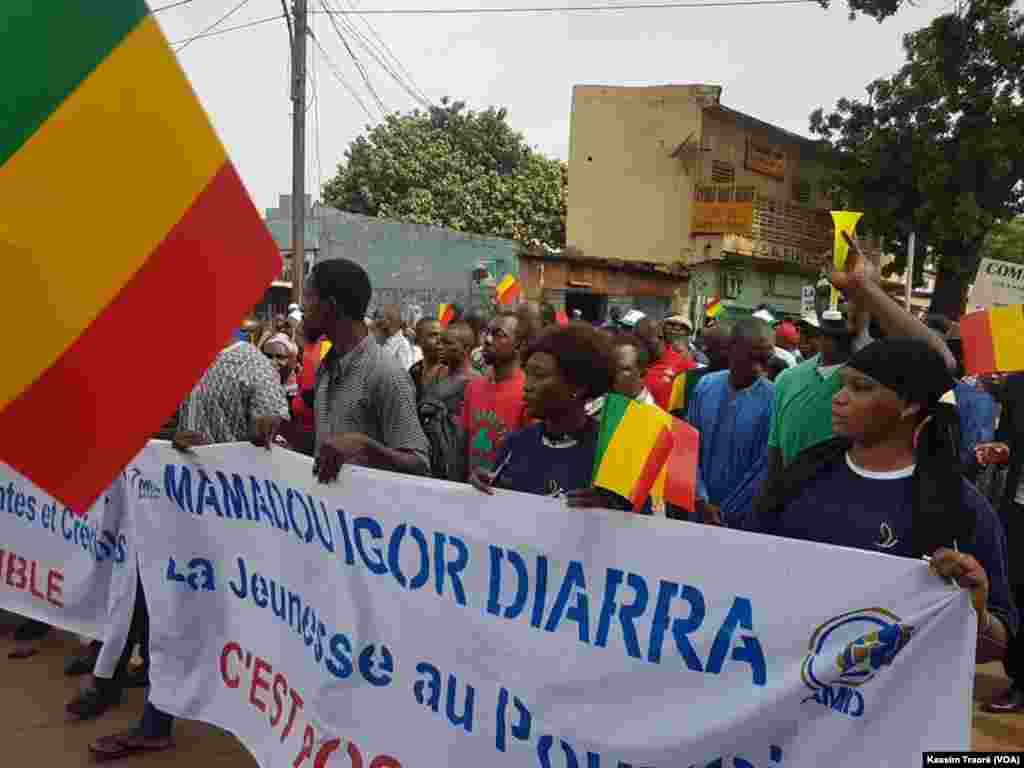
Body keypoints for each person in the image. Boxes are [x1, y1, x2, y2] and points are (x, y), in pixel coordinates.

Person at [744, 339, 1017, 666]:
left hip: (890, 708)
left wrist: (978, 613)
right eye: (842, 384)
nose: (839, 398)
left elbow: (994, 648)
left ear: (909, 405)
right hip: (784, 688)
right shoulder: (800, 476)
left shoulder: (958, 507)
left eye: (860, 387)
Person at [89, 336, 290, 755]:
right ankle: (155, 717)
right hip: (188, 517)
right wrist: (179, 438)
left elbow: (272, 431)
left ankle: (177, 718)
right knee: (174, 611)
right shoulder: (186, 361)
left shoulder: (250, 361)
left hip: (233, 522)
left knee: (209, 618)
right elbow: (175, 425)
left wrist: (241, 442)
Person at [766, 234, 953, 476]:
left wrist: (863, 287)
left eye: (861, 386)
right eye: (827, 293)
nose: (837, 302)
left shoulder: (887, 368)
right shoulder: (788, 380)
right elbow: (775, 464)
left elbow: (940, 362)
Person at [254, 258, 431, 481]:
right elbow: (325, 447)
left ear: (331, 306)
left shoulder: (386, 374)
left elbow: (420, 465)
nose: (302, 308)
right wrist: (284, 429)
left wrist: (366, 447)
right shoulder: (327, 368)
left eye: (308, 297)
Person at [469, 324, 632, 511]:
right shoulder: (516, 445)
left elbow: (646, 528)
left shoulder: (611, 455)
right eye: (527, 374)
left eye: (539, 375)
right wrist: (482, 490)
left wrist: (613, 510)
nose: (527, 385)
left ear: (577, 387)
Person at [687, 318, 776, 526]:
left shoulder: (774, 398)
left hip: (742, 521)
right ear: (731, 350)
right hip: (697, 512)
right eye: (752, 358)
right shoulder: (705, 386)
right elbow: (689, 447)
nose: (760, 368)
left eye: (766, 359)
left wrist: (725, 512)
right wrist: (700, 500)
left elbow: (764, 467)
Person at [977, 374, 1024, 713]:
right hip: (1019, 507)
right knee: (1017, 590)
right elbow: (1009, 442)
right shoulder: (1018, 385)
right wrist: (1000, 451)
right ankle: (1020, 680)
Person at [460, 310, 532, 479]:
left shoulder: (529, 392)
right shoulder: (473, 387)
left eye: (499, 335)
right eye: (487, 333)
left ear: (520, 345)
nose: (488, 340)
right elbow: (463, 446)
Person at [586, 333, 657, 417]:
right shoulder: (598, 401)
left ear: (642, 373)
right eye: (611, 366)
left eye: (624, 369)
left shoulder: (651, 418)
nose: (614, 373)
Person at [636, 317, 696, 410]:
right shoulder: (635, 363)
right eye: (636, 341)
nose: (639, 346)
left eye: (644, 341)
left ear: (660, 337)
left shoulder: (685, 365)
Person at [408, 316, 446, 402]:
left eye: (442, 335)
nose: (440, 340)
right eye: (433, 335)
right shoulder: (414, 371)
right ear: (418, 340)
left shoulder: (453, 370)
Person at [377, 304, 417, 370]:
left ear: (390, 320)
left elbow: (405, 373)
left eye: (381, 317)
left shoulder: (402, 345)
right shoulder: (384, 340)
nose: (377, 321)